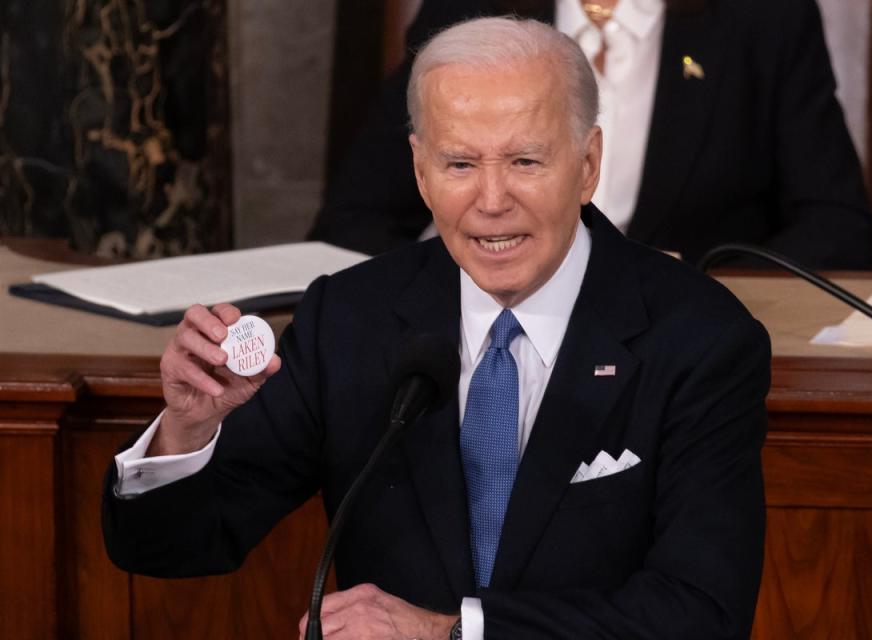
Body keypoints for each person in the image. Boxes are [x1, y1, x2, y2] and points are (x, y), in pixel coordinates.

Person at [103, 17, 771, 639]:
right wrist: (185, 429)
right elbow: (176, 547)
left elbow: (702, 612)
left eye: (525, 162)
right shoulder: (351, 318)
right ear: (421, 171)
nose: (490, 201)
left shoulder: (699, 339)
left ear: (588, 165)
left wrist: (449, 632)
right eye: (459, 164)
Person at [309, 0, 872, 270]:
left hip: (684, 354)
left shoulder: (763, 18)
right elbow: (353, 221)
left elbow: (840, 229)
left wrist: (688, 277)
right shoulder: (470, 8)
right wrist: (472, 279)